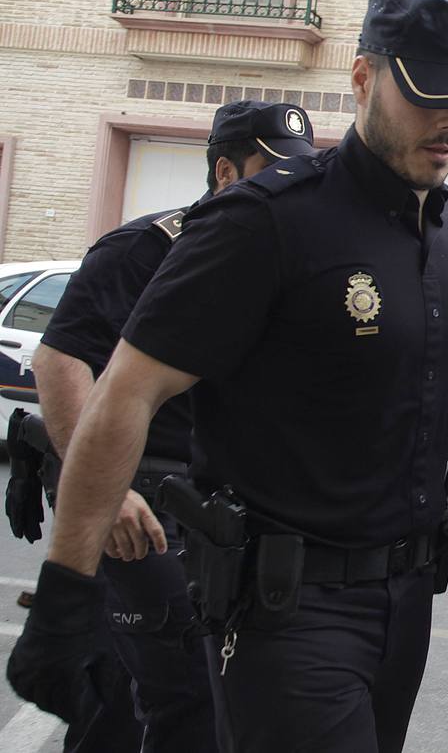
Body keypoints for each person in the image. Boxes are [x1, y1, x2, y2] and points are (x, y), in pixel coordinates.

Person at [7, 0, 448, 753]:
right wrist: (66, 591)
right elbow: (124, 392)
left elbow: (444, 330)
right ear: (362, 79)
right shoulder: (265, 221)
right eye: (427, 98)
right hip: (288, 608)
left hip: (407, 596)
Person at [27, 100, 316, 750]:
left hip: (221, 517)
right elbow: (58, 361)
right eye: (271, 169)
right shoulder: (142, 250)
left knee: (201, 705)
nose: (289, 184)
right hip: (140, 507)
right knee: (134, 703)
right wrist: (106, 494)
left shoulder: (274, 256)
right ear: (223, 172)